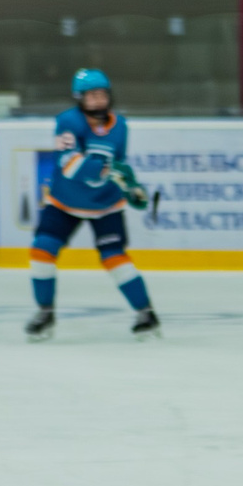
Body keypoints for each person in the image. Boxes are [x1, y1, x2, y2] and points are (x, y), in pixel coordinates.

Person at [27, 68, 158, 340]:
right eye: (91, 96)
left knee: (115, 258)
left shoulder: (120, 126)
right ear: (80, 98)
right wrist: (105, 171)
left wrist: (132, 188)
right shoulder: (68, 122)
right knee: (41, 252)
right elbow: (69, 163)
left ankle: (146, 313)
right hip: (64, 202)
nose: (98, 100)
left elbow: (120, 164)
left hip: (106, 205)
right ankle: (45, 312)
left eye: (102, 94)